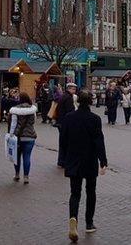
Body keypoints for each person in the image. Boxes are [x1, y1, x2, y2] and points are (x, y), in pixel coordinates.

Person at [61, 91, 108, 242]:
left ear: (78, 101)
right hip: (90, 160)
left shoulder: (69, 118)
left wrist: (64, 158)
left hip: (73, 159)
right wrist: (103, 161)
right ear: (90, 102)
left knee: (75, 193)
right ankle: (89, 222)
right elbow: (98, 140)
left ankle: (73, 218)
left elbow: (63, 139)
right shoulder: (95, 119)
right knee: (90, 191)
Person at [9, 92, 38, 184]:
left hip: (18, 137)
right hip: (30, 136)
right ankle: (26, 176)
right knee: (27, 156)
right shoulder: (32, 110)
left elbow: (13, 124)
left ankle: (17, 174)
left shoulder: (15, 110)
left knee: (16, 156)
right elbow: (34, 122)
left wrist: (11, 134)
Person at [56, 82, 78, 167]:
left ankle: (61, 161)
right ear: (69, 88)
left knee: (62, 142)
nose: (74, 90)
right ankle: (64, 161)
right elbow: (70, 112)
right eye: (73, 89)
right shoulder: (68, 98)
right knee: (67, 143)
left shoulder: (62, 96)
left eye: (75, 89)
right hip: (66, 123)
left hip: (61, 122)